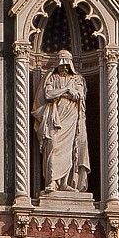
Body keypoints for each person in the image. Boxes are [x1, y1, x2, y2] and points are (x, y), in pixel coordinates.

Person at [33, 48, 90, 195]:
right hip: (55, 118)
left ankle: (64, 183)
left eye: (66, 64)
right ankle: (52, 181)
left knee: (69, 150)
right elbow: (48, 94)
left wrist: (67, 93)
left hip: (71, 118)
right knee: (53, 147)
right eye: (62, 64)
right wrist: (66, 90)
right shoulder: (51, 78)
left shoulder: (76, 79)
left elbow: (79, 95)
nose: (64, 67)